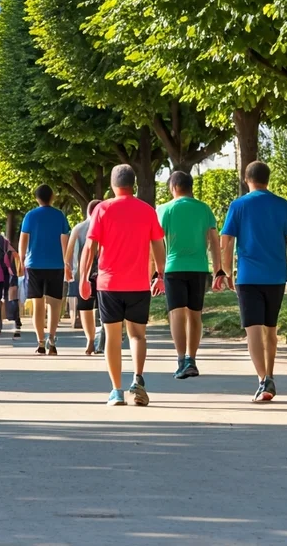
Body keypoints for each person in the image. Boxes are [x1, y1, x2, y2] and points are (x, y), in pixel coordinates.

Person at [219, 161, 287, 403]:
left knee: (253, 330)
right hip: (276, 276)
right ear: (268, 179)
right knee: (270, 329)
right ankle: (269, 374)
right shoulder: (283, 205)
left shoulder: (238, 206)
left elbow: (226, 241)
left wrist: (225, 271)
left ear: (246, 179)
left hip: (248, 277)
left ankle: (263, 379)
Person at [79, 165, 165, 406]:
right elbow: (158, 244)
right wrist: (160, 274)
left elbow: (90, 246)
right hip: (138, 283)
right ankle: (137, 380)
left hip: (109, 284)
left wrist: (84, 277)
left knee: (113, 338)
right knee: (138, 335)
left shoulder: (103, 209)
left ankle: (116, 391)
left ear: (112, 185)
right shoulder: (147, 211)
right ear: (134, 184)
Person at [158, 171, 224, 379]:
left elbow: (156, 243)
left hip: (173, 267)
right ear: (190, 187)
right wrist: (218, 270)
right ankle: (191, 359)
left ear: (174, 187)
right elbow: (214, 240)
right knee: (195, 314)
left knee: (176, 313)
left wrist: (156, 272)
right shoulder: (204, 209)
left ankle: (180, 359)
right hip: (199, 268)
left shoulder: (164, 209)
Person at [19, 184, 71, 356]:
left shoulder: (30, 216)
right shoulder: (59, 216)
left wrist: (21, 259)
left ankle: (40, 342)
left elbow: (23, 240)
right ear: (53, 197)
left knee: (37, 304)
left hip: (34, 264)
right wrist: (67, 263)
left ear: (36, 198)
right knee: (54, 304)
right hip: (56, 264)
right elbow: (65, 240)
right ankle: (52, 339)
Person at [66, 200, 103, 355]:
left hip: (84, 275)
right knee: (104, 310)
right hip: (104, 275)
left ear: (88, 212)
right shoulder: (108, 226)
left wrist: (68, 269)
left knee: (86, 308)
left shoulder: (79, 228)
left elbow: (68, 253)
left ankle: (90, 340)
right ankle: (102, 341)